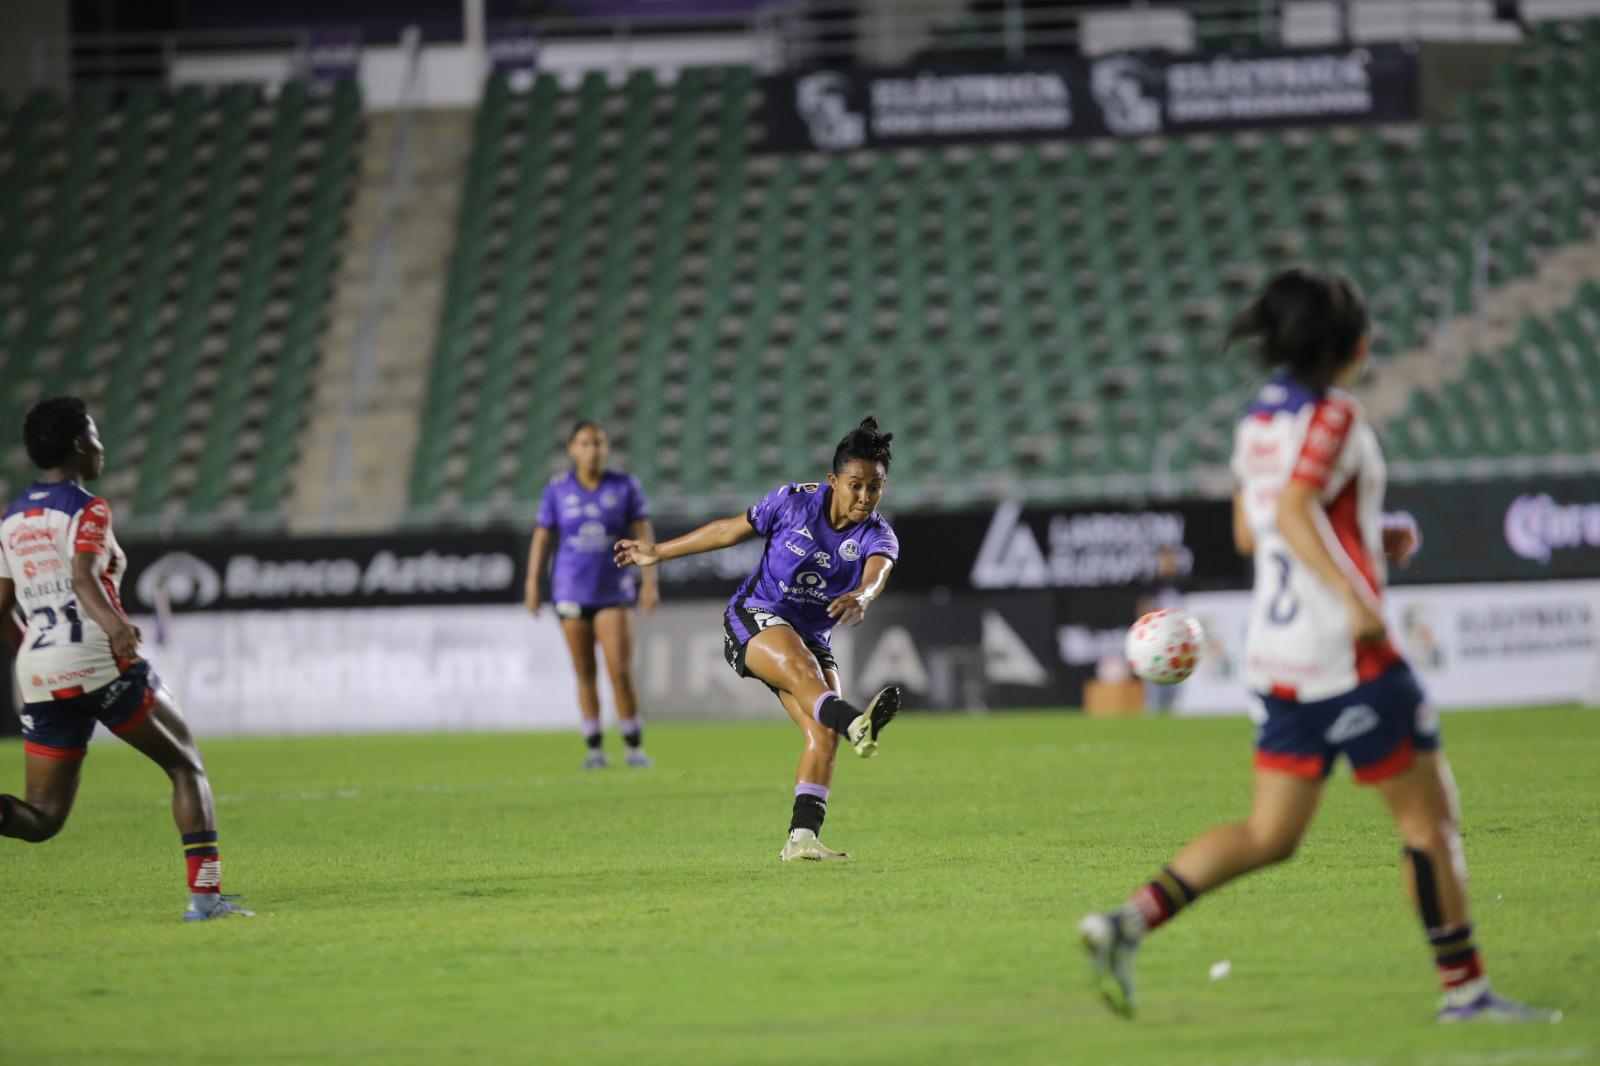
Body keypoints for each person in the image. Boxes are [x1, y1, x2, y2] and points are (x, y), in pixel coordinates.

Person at [1079, 268, 1556, 1023]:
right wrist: (1355, 594)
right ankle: (1466, 993)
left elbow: (1252, 529)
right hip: (1347, 654)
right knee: (1429, 824)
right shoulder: (1334, 416)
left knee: (1270, 834)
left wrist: (1368, 537)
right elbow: (1298, 506)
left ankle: (1125, 923)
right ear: (1354, 347)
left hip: (1278, 661)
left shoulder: (1257, 421)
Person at [0, 397, 250, 921]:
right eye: (93, 434)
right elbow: (84, 578)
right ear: (76, 444)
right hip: (98, 654)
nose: (100, 446)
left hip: (41, 669)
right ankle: (205, 900)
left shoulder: (11, 518)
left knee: (42, 819)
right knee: (186, 765)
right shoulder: (86, 506)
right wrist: (115, 627)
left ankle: (208, 900)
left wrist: (37, 653)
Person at [614, 416, 902, 861]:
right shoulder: (792, 502)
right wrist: (659, 552)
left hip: (811, 636)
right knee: (812, 681)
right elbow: (729, 530)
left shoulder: (878, 533)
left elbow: (877, 572)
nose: (865, 497)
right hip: (755, 617)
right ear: (833, 481)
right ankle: (854, 722)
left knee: (822, 736)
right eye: (856, 485)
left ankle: (801, 839)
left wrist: (862, 596)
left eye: (875, 487)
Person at [526, 420, 659, 769]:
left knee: (619, 670)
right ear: (572, 449)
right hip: (570, 590)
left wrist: (649, 582)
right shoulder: (557, 489)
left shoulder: (625, 485)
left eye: (598, 443)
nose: (592, 450)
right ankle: (594, 747)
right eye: (584, 444)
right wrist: (531, 583)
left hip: (613, 590)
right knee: (584, 671)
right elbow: (542, 536)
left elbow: (643, 531)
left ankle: (633, 746)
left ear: (607, 448)